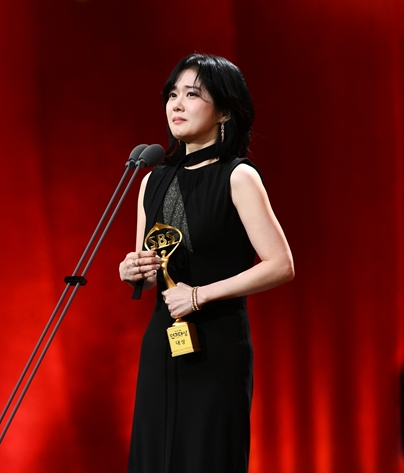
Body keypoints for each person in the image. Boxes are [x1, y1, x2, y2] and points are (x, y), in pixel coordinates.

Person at [119, 53, 294, 473]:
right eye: (172, 95)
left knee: (205, 457)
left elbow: (280, 264)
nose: (177, 104)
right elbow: (152, 263)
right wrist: (133, 269)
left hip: (217, 344)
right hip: (163, 340)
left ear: (225, 111)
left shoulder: (238, 176)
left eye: (192, 95)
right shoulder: (151, 179)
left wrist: (199, 295)